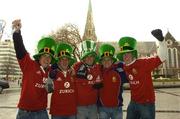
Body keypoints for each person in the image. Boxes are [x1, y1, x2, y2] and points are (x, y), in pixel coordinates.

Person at [116, 29, 167, 119]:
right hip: (133, 102)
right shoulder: (124, 67)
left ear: (133, 54)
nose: (125, 56)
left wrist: (161, 41)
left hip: (146, 104)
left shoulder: (143, 63)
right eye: (124, 54)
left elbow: (162, 58)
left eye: (128, 53)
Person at [12, 19, 56, 119]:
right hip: (25, 113)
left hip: (41, 112)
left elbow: (64, 65)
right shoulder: (29, 65)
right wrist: (17, 32)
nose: (47, 59)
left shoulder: (51, 71)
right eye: (44, 56)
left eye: (49, 57)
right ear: (39, 57)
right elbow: (20, 49)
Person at [73, 40, 103, 119]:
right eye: (87, 56)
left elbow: (109, 66)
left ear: (94, 57)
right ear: (84, 57)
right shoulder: (76, 67)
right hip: (80, 107)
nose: (89, 58)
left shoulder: (99, 68)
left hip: (93, 106)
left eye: (91, 56)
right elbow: (63, 65)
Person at [47, 42, 77, 119]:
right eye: (62, 59)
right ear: (59, 61)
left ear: (69, 61)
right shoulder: (53, 73)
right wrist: (50, 77)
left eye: (66, 59)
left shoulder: (73, 73)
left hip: (71, 112)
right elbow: (48, 89)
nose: (64, 62)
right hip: (57, 112)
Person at [98, 44, 123, 119]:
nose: (106, 62)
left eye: (108, 59)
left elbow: (129, 66)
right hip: (102, 108)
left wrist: (120, 63)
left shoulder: (119, 71)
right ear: (101, 62)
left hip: (117, 108)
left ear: (112, 61)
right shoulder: (98, 71)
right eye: (104, 60)